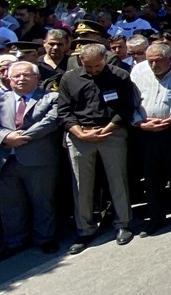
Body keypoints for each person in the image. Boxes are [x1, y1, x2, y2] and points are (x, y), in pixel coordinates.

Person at [56, 43, 137, 254]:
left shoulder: (119, 75)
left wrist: (109, 127)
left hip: (112, 130)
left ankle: (123, 224)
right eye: (88, 66)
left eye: (97, 66)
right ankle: (85, 229)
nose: (93, 70)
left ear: (105, 59)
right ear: (81, 61)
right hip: (80, 134)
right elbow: (63, 111)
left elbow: (127, 106)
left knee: (117, 179)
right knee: (81, 183)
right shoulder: (69, 78)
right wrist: (80, 133)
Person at [0, 61, 60, 260]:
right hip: (4, 158)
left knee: (42, 201)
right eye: (16, 76)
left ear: (37, 78)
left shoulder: (50, 97)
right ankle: (14, 241)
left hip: (38, 158)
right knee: (10, 205)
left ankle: (45, 238)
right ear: (9, 78)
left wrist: (22, 137)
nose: (21, 79)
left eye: (26, 75)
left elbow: (50, 122)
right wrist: (5, 138)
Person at [130, 42, 171, 236]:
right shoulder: (138, 77)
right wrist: (140, 123)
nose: (154, 65)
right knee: (152, 177)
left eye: (158, 61)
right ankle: (156, 217)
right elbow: (131, 105)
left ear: (170, 59)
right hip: (147, 133)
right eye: (150, 61)